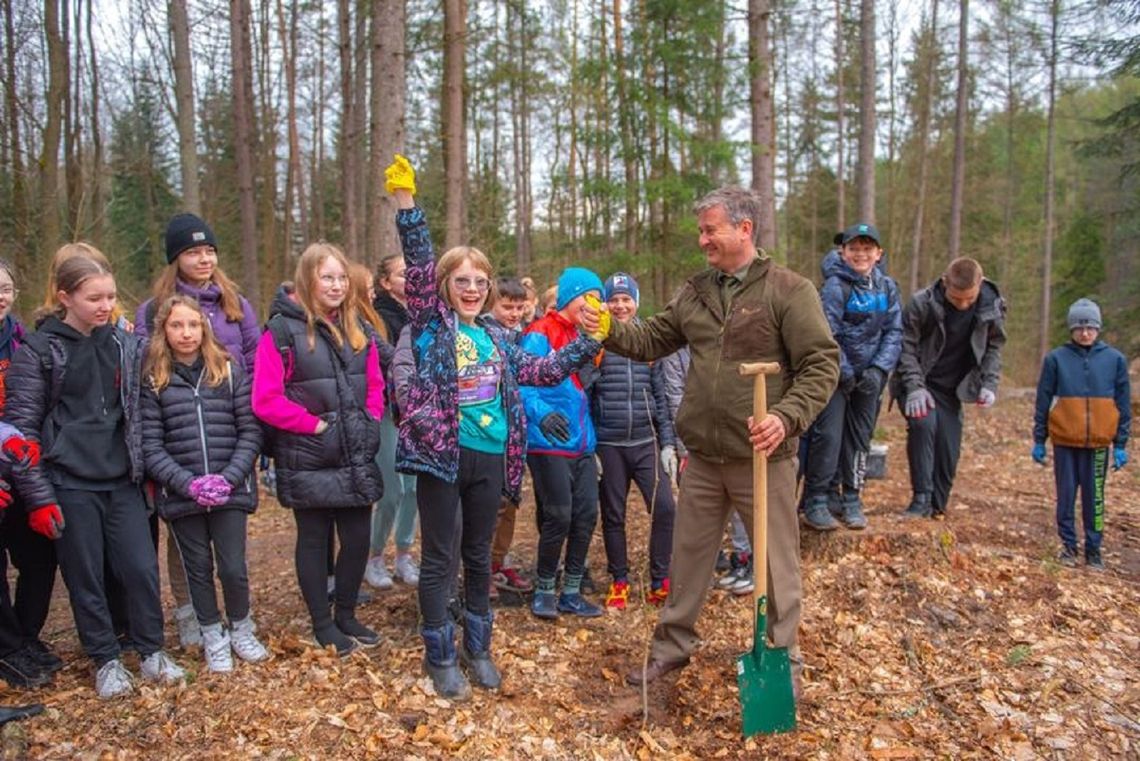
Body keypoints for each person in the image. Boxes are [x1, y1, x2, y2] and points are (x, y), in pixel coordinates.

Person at [586, 186, 839, 697]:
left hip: (762, 456)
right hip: (702, 456)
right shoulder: (697, 291)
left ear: (744, 230)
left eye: (710, 230)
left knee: (776, 565)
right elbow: (652, 338)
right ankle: (670, 650)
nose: (702, 240)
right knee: (689, 559)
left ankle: (780, 660)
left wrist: (786, 418)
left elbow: (820, 364)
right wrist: (610, 327)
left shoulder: (789, 291)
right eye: (700, 230)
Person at [386, 155, 604, 700]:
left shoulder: (499, 337)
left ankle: (477, 647)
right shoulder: (430, 327)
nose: (473, 288)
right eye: (462, 280)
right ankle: (438, 653)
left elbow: (546, 369)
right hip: (444, 456)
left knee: (479, 555)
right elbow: (416, 266)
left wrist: (590, 340)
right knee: (441, 556)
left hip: (490, 457)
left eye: (480, 281)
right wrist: (407, 207)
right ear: (444, 285)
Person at [4, 252, 185, 698]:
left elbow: (142, 411)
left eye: (110, 296)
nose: (105, 306)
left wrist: (145, 469)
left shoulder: (126, 345)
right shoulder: (40, 351)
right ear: (65, 297)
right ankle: (105, 659)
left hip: (122, 479)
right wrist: (40, 497)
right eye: (94, 298)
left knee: (140, 570)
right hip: (69, 483)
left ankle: (150, 650)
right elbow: (22, 431)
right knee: (84, 577)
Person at [135, 212, 261, 649]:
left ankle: (239, 623)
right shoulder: (154, 310)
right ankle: (195, 615)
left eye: (209, 250)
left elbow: (253, 352)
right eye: (193, 251)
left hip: (227, 416)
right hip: (180, 437)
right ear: (176, 258)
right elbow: (144, 367)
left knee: (230, 554)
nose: (204, 258)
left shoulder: (233, 301)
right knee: (187, 545)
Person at [252, 243, 385, 657]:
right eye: (327, 277)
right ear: (308, 279)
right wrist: (314, 426)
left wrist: (369, 420)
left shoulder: (358, 327)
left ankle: (345, 613)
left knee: (358, 537)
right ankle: (322, 622)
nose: (337, 285)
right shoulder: (280, 331)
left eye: (342, 278)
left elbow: (376, 383)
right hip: (308, 453)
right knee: (314, 539)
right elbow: (265, 399)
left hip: (354, 450)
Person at [140, 295, 270, 673]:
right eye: (177, 325)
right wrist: (187, 483)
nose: (186, 333)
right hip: (182, 495)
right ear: (163, 330)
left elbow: (250, 430)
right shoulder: (154, 379)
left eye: (193, 325)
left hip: (230, 491)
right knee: (196, 567)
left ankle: (241, 627)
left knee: (232, 566)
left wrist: (229, 478)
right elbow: (151, 445)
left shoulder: (227, 371)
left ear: (204, 327)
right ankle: (212, 633)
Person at [801, 223, 902, 531]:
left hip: (869, 381)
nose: (861, 254)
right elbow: (826, 333)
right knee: (828, 436)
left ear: (878, 254)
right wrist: (844, 371)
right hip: (836, 377)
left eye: (867, 249)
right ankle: (817, 498)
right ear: (843, 253)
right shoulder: (834, 287)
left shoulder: (887, 287)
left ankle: (852, 498)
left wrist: (879, 369)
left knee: (859, 440)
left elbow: (894, 331)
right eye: (854, 249)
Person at [521, 267, 608, 621]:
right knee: (558, 514)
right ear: (572, 297)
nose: (596, 304)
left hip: (583, 441)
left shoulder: (592, 335)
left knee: (586, 514)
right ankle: (544, 588)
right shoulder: (540, 331)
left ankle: (571, 591)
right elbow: (522, 379)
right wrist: (539, 413)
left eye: (599, 298)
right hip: (547, 440)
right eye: (590, 296)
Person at [890, 257, 1006, 519]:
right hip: (919, 380)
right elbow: (905, 347)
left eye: (969, 299)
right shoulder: (923, 303)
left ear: (981, 283)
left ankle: (936, 504)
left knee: (948, 448)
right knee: (924, 424)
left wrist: (989, 383)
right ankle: (920, 499)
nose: (963, 304)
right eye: (956, 299)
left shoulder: (992, 305)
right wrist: (915, 387)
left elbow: (994, 346)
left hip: (953, 389)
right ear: (945, 283)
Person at [590, 273, 676, 610]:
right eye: (614, 299)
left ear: (636, 302)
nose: (621, 305)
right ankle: (619, 579)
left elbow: (662, 396)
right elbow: (587, 394)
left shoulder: (648, 341)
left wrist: (667, 443)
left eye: (626, 299)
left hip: (646, 440)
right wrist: (591, 446)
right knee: (613, 513)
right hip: (609, 444)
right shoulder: (598, 340)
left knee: (666, 508)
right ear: (606, 304)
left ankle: (660, 578)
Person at [1032, 298, 1130, 570]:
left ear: (1098, 328)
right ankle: (1068, 546)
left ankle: (1094, 549)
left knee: (1094, 497)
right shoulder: (1056, 359)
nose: (1085, 332)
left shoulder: (1115, 360)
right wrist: (1039, 439)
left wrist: (1120, 443)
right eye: (1079, 327)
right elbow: (1043, 400)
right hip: (1065, 440)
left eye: (1090, 327)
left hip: (1099, 443)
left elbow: (1122, 403)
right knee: (1066, 497)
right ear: (1071, 329)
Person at [0, 258, 62, 682]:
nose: (0, 297)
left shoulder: (25, 341)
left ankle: (25, 637)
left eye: (5, 288)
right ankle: (6, 648)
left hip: (24, 466)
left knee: (40, 556)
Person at [365, 254, 420, 590]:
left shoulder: (423, 315)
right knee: (391, 489)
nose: (410, 279)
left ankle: (403, 554)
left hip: (419, 410)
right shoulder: (379, 318)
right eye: (403, 274)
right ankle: (373, 557)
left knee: (414, 487)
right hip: (388, 409)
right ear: (385, 283)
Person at [487, 277, 536, 595]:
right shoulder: (486, 333)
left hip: (517, 429)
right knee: (491, 502)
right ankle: (480, 566)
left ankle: (498, 560)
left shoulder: (523, 336)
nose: (514, 313)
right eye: (507, 307)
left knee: (510, 498)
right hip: (491, 426)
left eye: (520, 307)